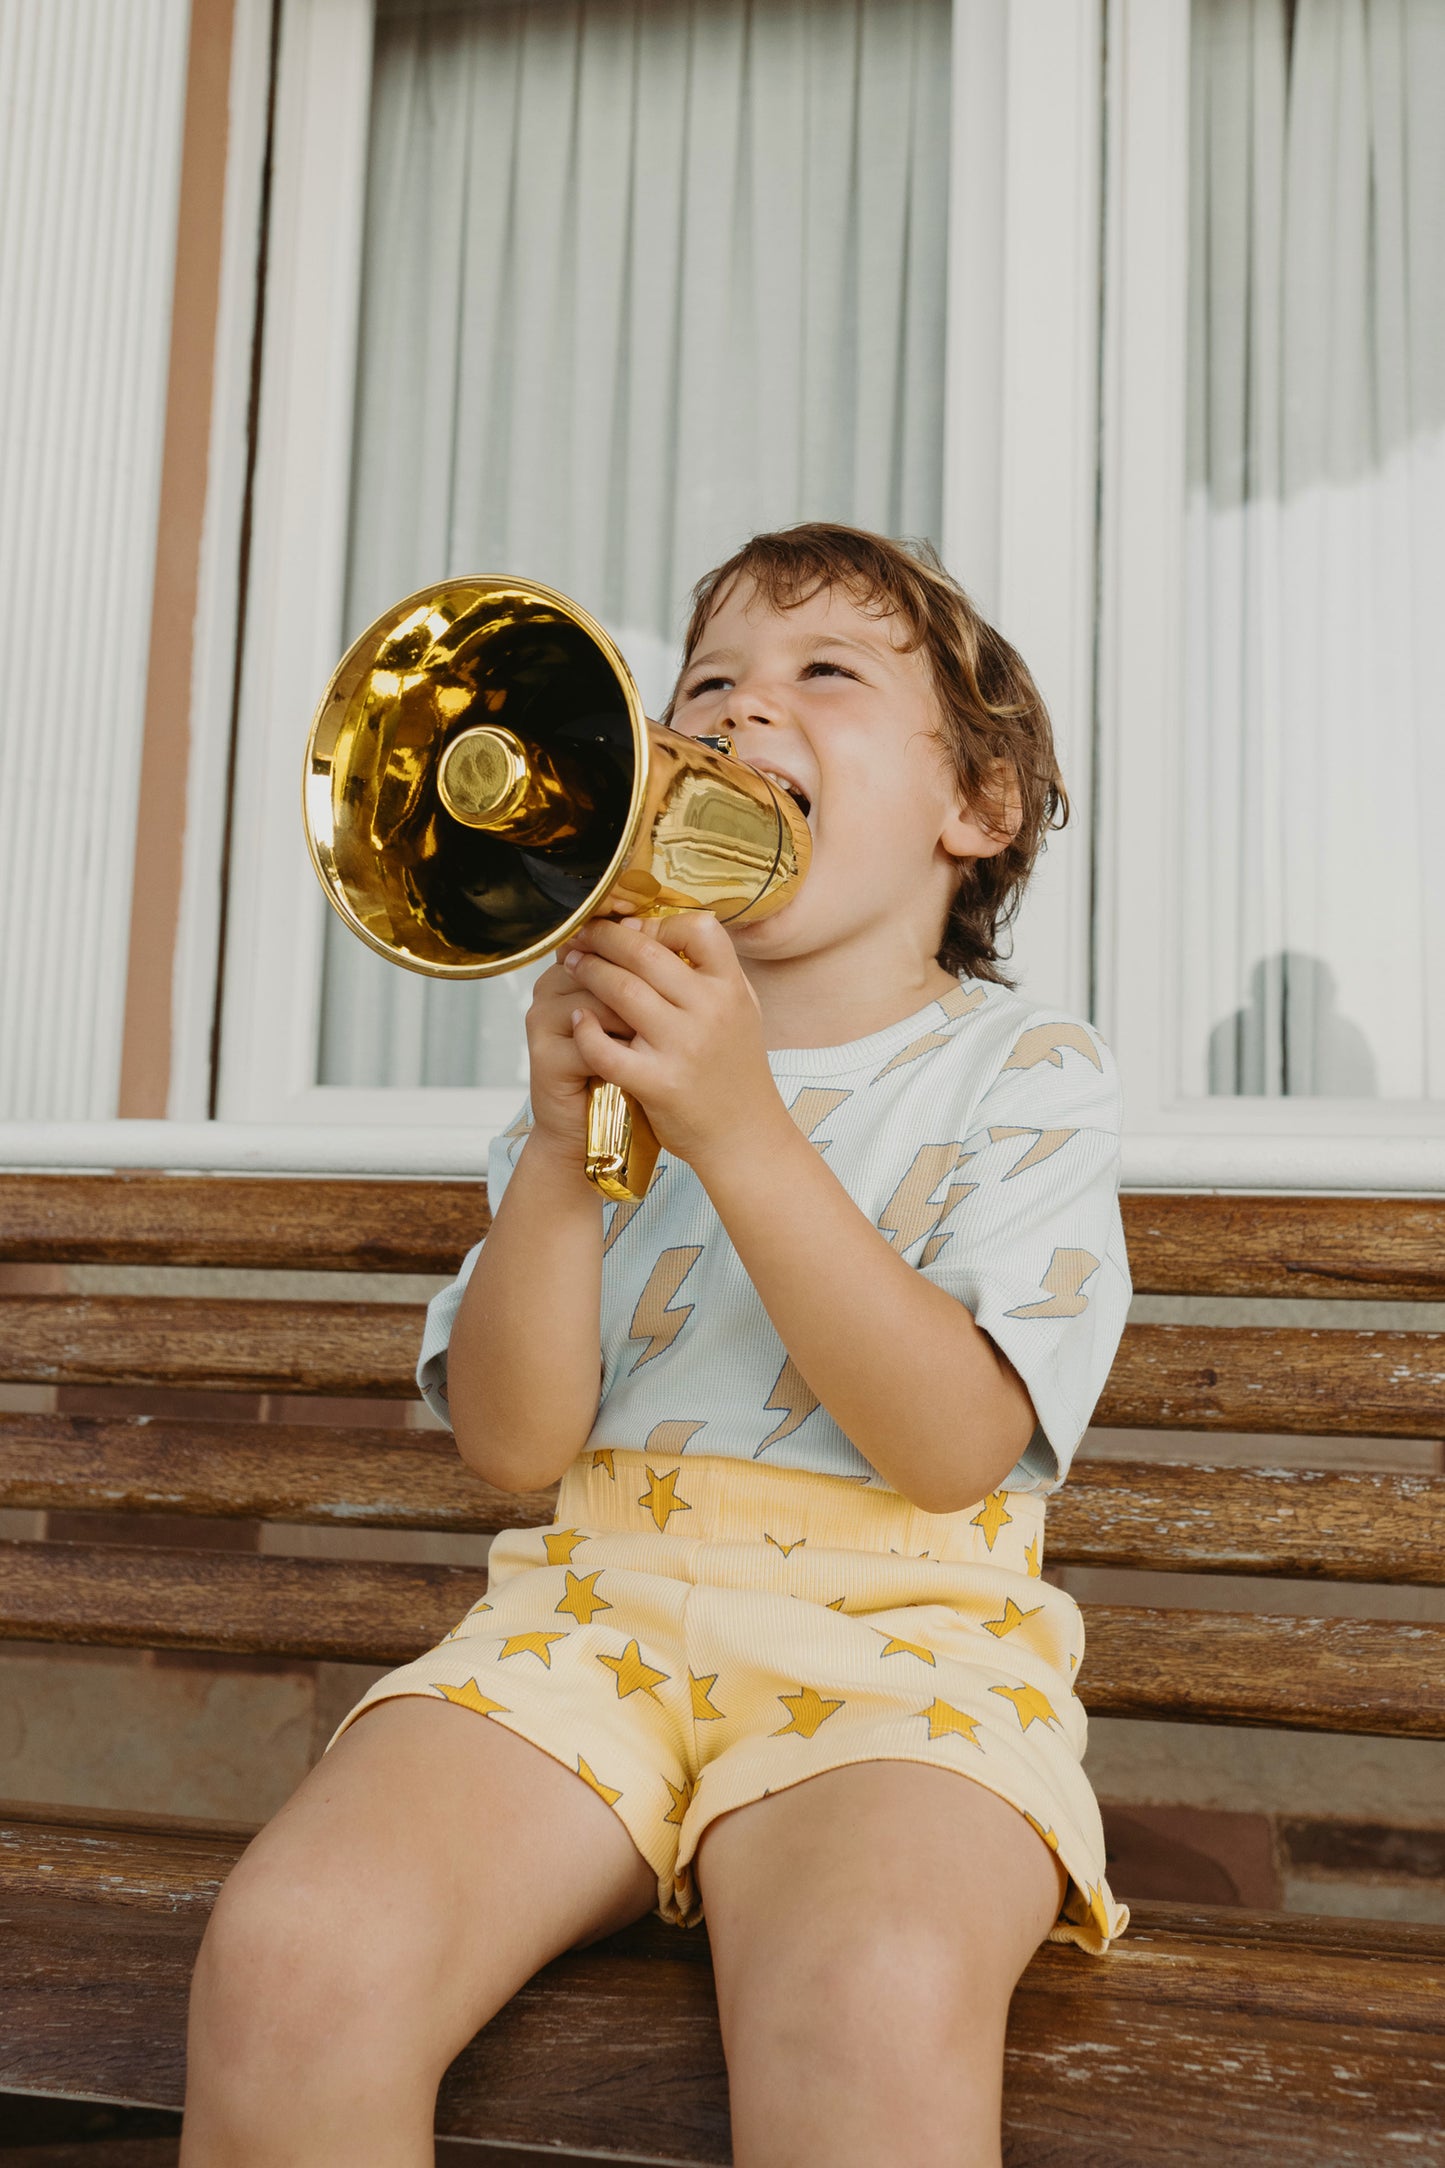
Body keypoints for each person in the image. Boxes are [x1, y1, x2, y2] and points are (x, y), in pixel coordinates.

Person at [180, 523, 1131, 2167]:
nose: (734, 714)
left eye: (821, 674)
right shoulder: (603, 1062)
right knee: (293, 1953)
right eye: (706, 685)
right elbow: (513, 1444)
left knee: (873, 1985)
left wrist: (741, 1127)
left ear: (973, 811)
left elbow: (954, 1448)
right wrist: (562, 1155)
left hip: (904, 1654)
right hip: (585, 1622)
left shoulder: (1021, 1069)